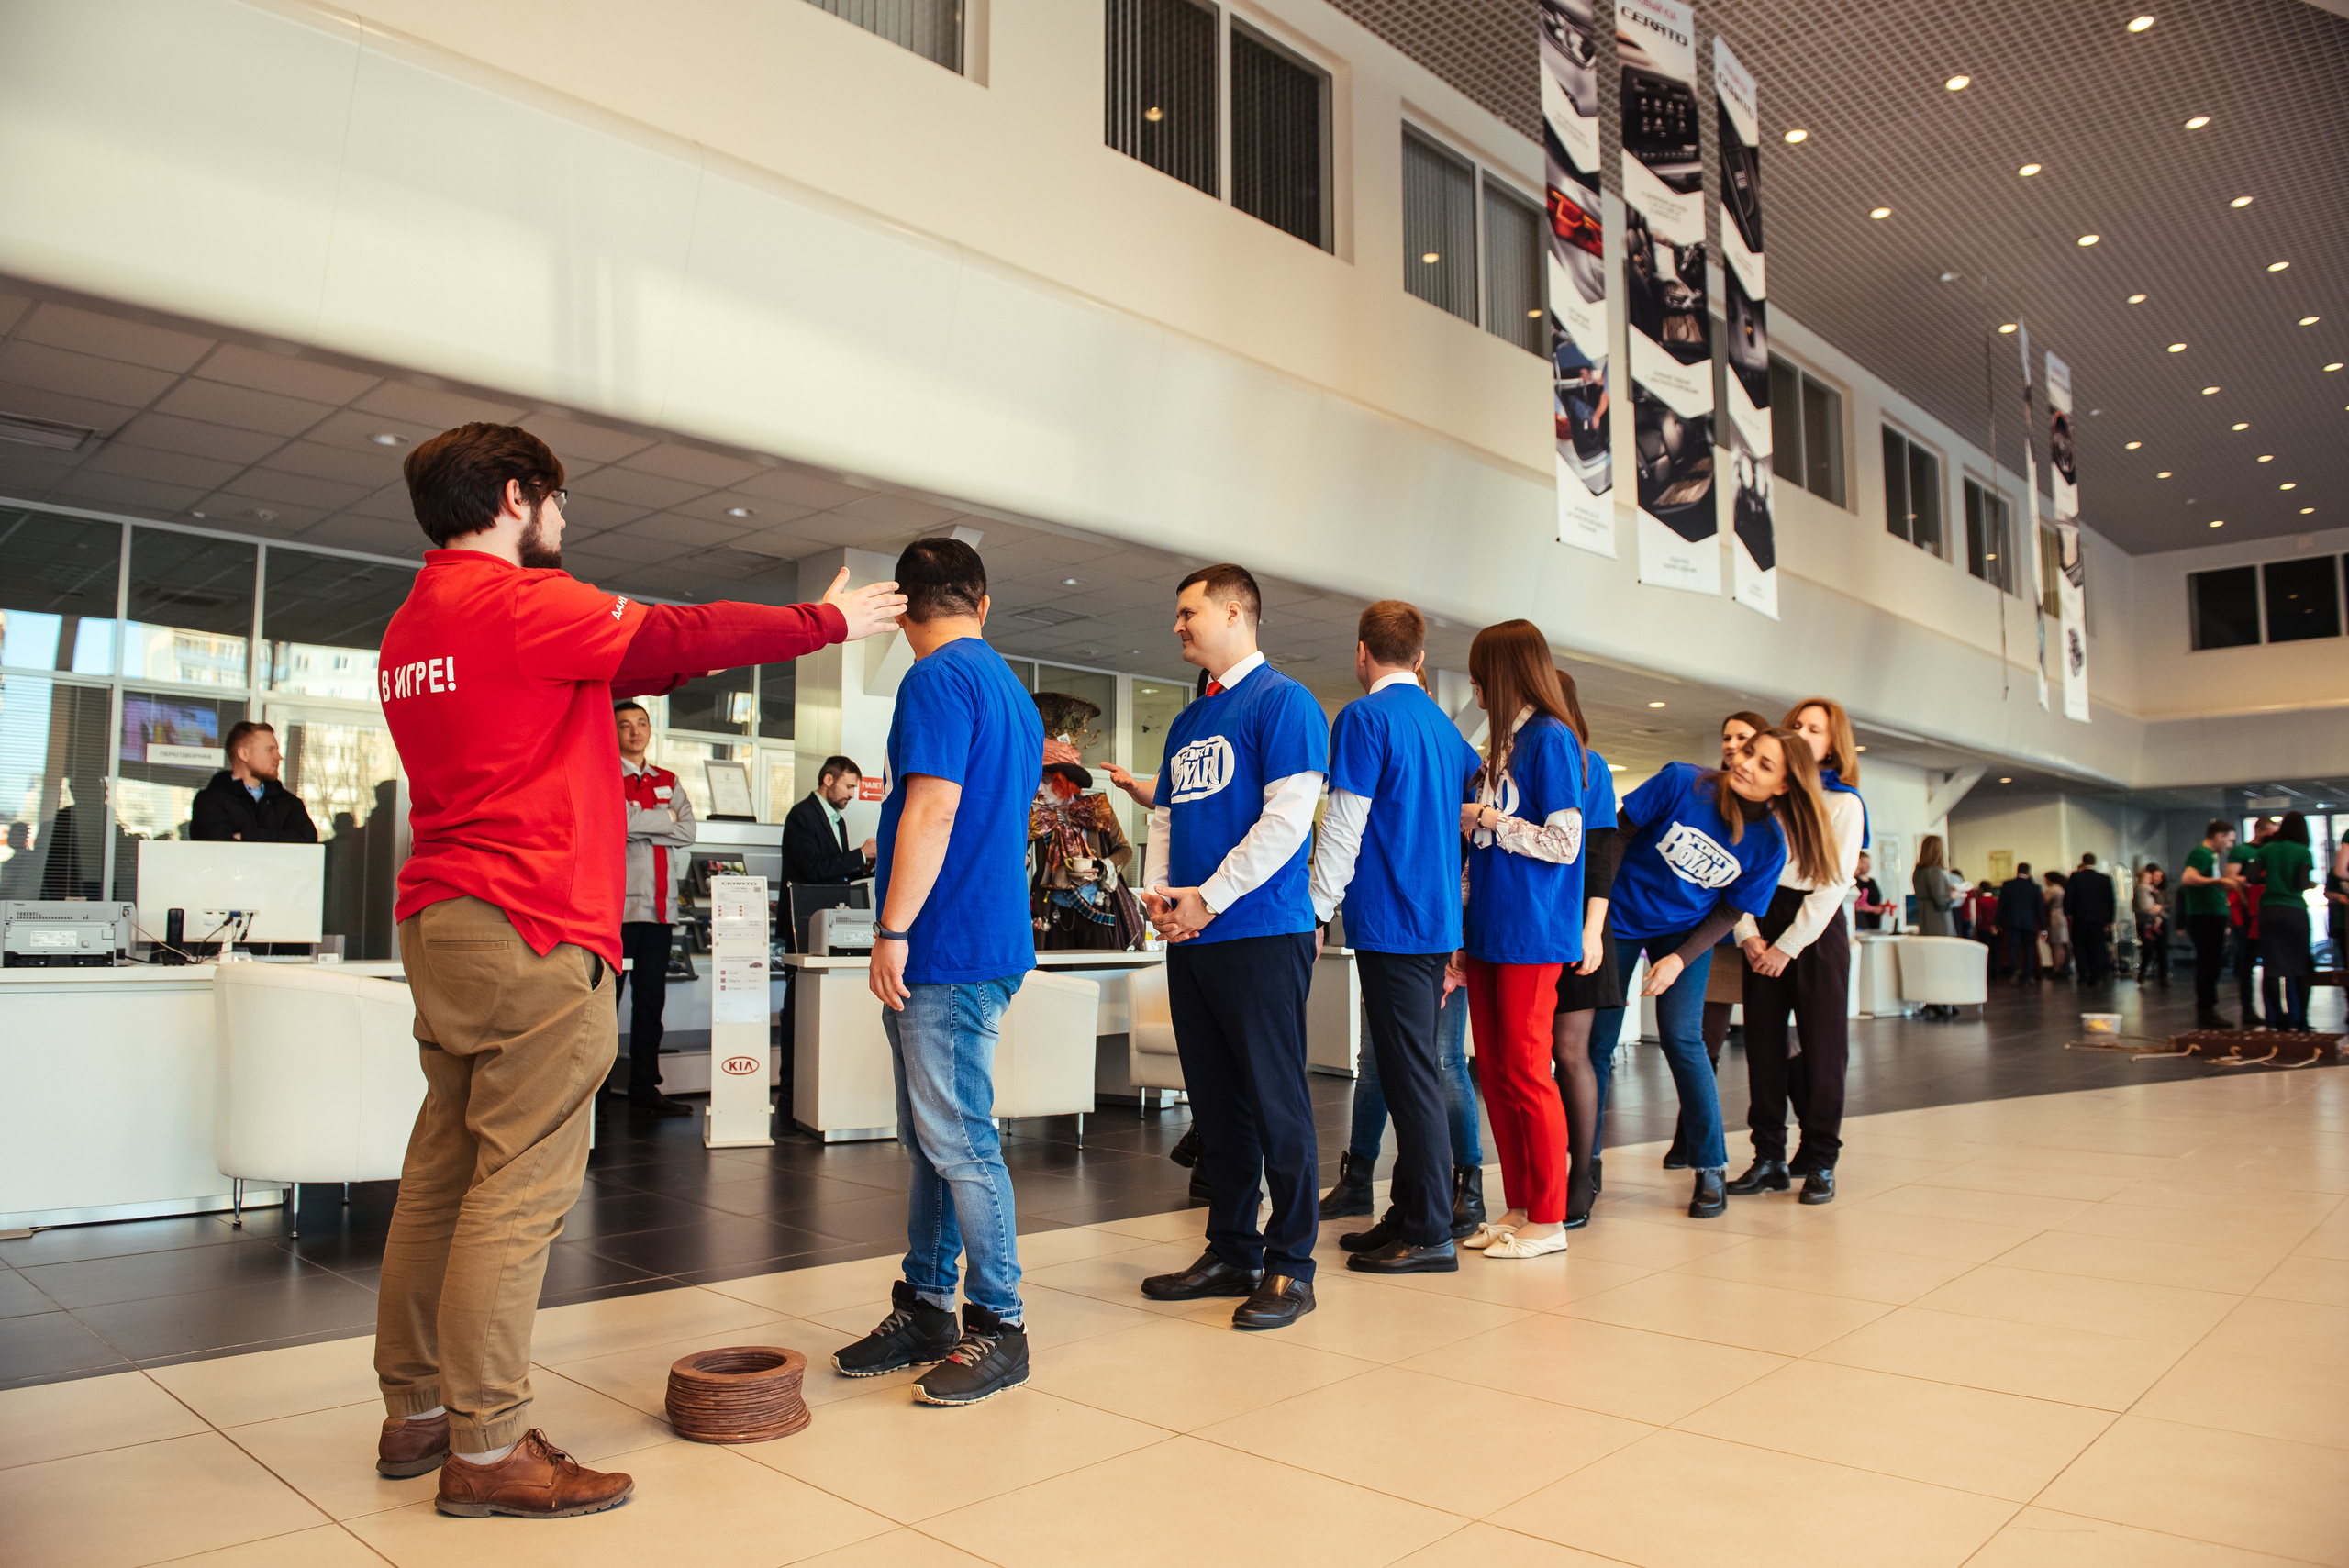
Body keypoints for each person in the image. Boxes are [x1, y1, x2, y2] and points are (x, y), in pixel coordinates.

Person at [371, 423, 903, 1517]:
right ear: (516, 495)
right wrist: (826, 621)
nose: (566, 518)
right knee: (517, 1191)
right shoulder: (518, 601)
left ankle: (416, 1408)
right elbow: (678, 634)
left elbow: (641, 659)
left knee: (440, 1173)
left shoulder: (410, 625)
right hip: (529, 923)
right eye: (556, 498)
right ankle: (485, 1442)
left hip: (443, 919)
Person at [832, 538, 1045, 1406]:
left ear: (902, 608)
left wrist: (893, 928)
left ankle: (999, 1322)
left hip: (946, 947)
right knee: (933, 1139)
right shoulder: (1009, 688)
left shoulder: (933, 679)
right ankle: (926, 1302)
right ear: (982, 603)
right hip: (981, 938)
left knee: (959, 1139)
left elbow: (934, 806)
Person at [1136, 563, 1330, 1330]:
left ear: (1236, 611)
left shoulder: (1285, 702)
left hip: (1259, 933)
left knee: (1277, 1104)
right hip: (1194, 937)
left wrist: (1209, 897)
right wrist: (1160, 896)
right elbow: (1162, 818)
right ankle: (1231, 1249)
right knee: (1216, 1107)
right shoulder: (1188, 722)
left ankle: (1291, 1266)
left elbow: (1287, 823)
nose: (1178, 626)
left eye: (1189, 613)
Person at [1305, 601, 1484, 1273]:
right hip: (1433, 920)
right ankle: (1409, 1213)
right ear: (1418, 658)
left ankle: (1432, 1229)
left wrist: (1317, 907)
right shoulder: (1442, 727)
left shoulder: (1363, 718)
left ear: (1361, 653)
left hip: (1393, 921)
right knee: (1410, 1069)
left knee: (1412, 1076)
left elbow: (1345, 824)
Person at [1590, 728, 1831, 1218]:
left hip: (1686, 933)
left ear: (1784, 786)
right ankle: (1585, 1161)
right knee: (1597, 1042)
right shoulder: (1682, 782)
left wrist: (1680, 957)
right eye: (1748, 753)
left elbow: (1729, 910)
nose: (1745, 764)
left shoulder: (1769, 846)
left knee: (1684, 1040)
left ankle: (1709, 1167)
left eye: (1765, 764)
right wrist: (1597, 917)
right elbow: (1618, 836)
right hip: (1619, 918)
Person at [1448, 621, 1609, 1259]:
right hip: (1487, 927)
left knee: (1525, 1068)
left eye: (1481, 673)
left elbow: (1565, 841)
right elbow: (1479, 851)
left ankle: (1548, 1215)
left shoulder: (1550, 739)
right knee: (1496, 1071)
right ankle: (1517, 1206)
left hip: (1530, 930)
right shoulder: (1503, 745)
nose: (1475, 686)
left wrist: (1489, 817)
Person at [1726, 698, 1865, 1206]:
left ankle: (1822, 1157)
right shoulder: (1763, 797)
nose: (1802, 734)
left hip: (1816, 928)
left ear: (1832, 746)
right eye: (1796, 726)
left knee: (1824, 1048)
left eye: (1815, 729)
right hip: (1759, 916)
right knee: (1762, 1045)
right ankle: (1768, 1156)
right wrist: (1747, 933)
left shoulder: (1844, 804)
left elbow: (1833, 884)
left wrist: (1786, 946)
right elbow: (1733, 868)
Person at [1545, 665, 1619, 1229]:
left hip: (1580, 929)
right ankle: (1550, 1173)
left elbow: (1599, 855)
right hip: (1534, 927)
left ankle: (1582, 1172)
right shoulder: (1523, 756)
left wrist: (1591, 931)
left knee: (1571, 1054)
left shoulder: (1588, 767)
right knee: (1536, 1059)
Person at [1690, 711, 1768, 1164]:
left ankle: (1775, 1151)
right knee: (1703, 1040)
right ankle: (1693, 1142)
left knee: (1778, 1041)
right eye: (1726, 736)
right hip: (1717, 937)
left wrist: (1752, 933)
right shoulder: (1706, 792)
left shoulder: (1771, 806)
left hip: (1760, 935)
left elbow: (1752, 876)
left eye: (1743, 737)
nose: (1731, 744)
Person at [613, 700, 696, 1117]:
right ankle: (592, 1098)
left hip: (661, 913)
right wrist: (662, 819)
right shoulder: (605, 776)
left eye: (641, 724)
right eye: (625, 725)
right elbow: (617, 824)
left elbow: (688, 829)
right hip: (617, 915)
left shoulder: (667, 778)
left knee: (651, 1005)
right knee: (605, 1006)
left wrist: (639, 821)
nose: (634, 731)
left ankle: (645, 1087)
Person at [1029, 761, 1134, 951]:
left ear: (1066, 783)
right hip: (1052, 911)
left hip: (1096, 907)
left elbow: (1124, 850)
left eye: (1046, 780)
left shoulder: (1098, 811)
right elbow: (1016, 855)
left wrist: (1103, 866)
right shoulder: (1039, 818)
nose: (1039, 787)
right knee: (1056, 976)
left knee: (1099, 972)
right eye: (1038, 780)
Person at [190, 721, 318, 843]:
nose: (279, 756)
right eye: (270, 750)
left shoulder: (288, 803)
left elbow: (307, 838)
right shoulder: (209, 801)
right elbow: (219, 847)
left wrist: (246, 836)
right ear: (244, 754)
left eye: (277, 750)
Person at [2253, 813, 2315, 1031]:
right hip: (2294, 910)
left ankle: (2278, 1020)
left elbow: (2251, 877)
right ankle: (2301, 1020)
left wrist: (2271, 879)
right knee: (2301, 967)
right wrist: (2311, 884)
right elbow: (2302, 882)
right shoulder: (2303, 852)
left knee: (2271, 968)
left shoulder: (2267, 849)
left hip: (2269, 910)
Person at [2180, 818, 2240, 1029]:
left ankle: (2208, 1010)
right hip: (2205, 915)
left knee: (2212, 963)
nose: (2230, 845)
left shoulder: (2210, 856)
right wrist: (2217, 882)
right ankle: (2206, 1011)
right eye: (2229, 840)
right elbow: (2188, 878)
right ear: (2219, 836)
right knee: (2208, 964)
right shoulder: (2201, 854)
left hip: (2210, 914)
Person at [783, 756, 875, 886]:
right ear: (828, 780)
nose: (852, 795)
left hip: (834, 904)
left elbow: (837, 872)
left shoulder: (839, 821)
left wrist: (868, 863)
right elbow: (812, 869)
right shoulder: (801, 815)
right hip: (808, 906)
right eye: (849, 787)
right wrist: (861, 854)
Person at [2231, 822, 2274, 1025]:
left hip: (2264, 910)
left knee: (2268, 962)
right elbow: (2230, 877)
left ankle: (2271, 1011)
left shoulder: (2270, 851)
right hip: (2247, 912)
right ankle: (2248, 1008)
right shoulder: (2242, 850)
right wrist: (2250, 881)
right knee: (2247, 961)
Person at [2067, 852, 2117, 984]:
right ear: (2094, 862)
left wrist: (2068, 912)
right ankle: (2098, 973)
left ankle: (2084, 971)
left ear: (2082, 862)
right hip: (2098, 918)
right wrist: (2110, 920)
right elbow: (2111, 901)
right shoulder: (2104, 879)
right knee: (2097, 945)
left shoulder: (2076, 877)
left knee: (2079, 944)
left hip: (2080, 917)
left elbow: (2069, 897)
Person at [1994, 863, 2046, 982]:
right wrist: (2043, 927)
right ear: (2029, 873)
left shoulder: (2007, 885)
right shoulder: (2035, 887)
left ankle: (2015, 970)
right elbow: (2040, 909)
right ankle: (2027, 975)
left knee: (2013, 948)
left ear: (2017, 871)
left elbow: (2001, 905)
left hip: (2012, 922)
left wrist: (1996, 923)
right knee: (2029, 949)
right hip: (2029, 923)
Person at [1912, 835, 1958, 938]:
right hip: (1939, 924)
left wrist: (1946, 888)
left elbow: (1928, 891)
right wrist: (1953, 895)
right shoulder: (1935, 871)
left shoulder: (1918, 872)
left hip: (1924, 923)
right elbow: (1942, 902)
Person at [2135, 864, 2170, 984]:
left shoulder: (2162, 892)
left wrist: (2160, 908)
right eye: (2155, 876)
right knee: (2148, 949)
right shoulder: (2142, 890)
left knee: (2162, 950)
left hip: (2160, 923)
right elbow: (2138, 907)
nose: (2157, 879)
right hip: (2146, 923)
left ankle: (2163, 976)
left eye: (2160, 877)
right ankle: (2142, 972)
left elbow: (2168, 906)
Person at [1851, 852, 1894, 932]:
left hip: (1874, 921)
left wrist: (1881, 909)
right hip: (1861, 922)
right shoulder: (1854, 882)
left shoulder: (1872, 881)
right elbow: (1858, 904)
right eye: (1863, 862)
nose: (1867, 865)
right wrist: (1872, 909)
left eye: (1869, 862)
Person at [2043, 870, 2071, 980]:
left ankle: (2056, 969)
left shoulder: (2053, 890)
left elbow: (2043, 901)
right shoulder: (2061, 888)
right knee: (2062, 944)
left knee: (2056, 945)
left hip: (2055, 917)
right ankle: (2063, 968)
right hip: (2061, 917)